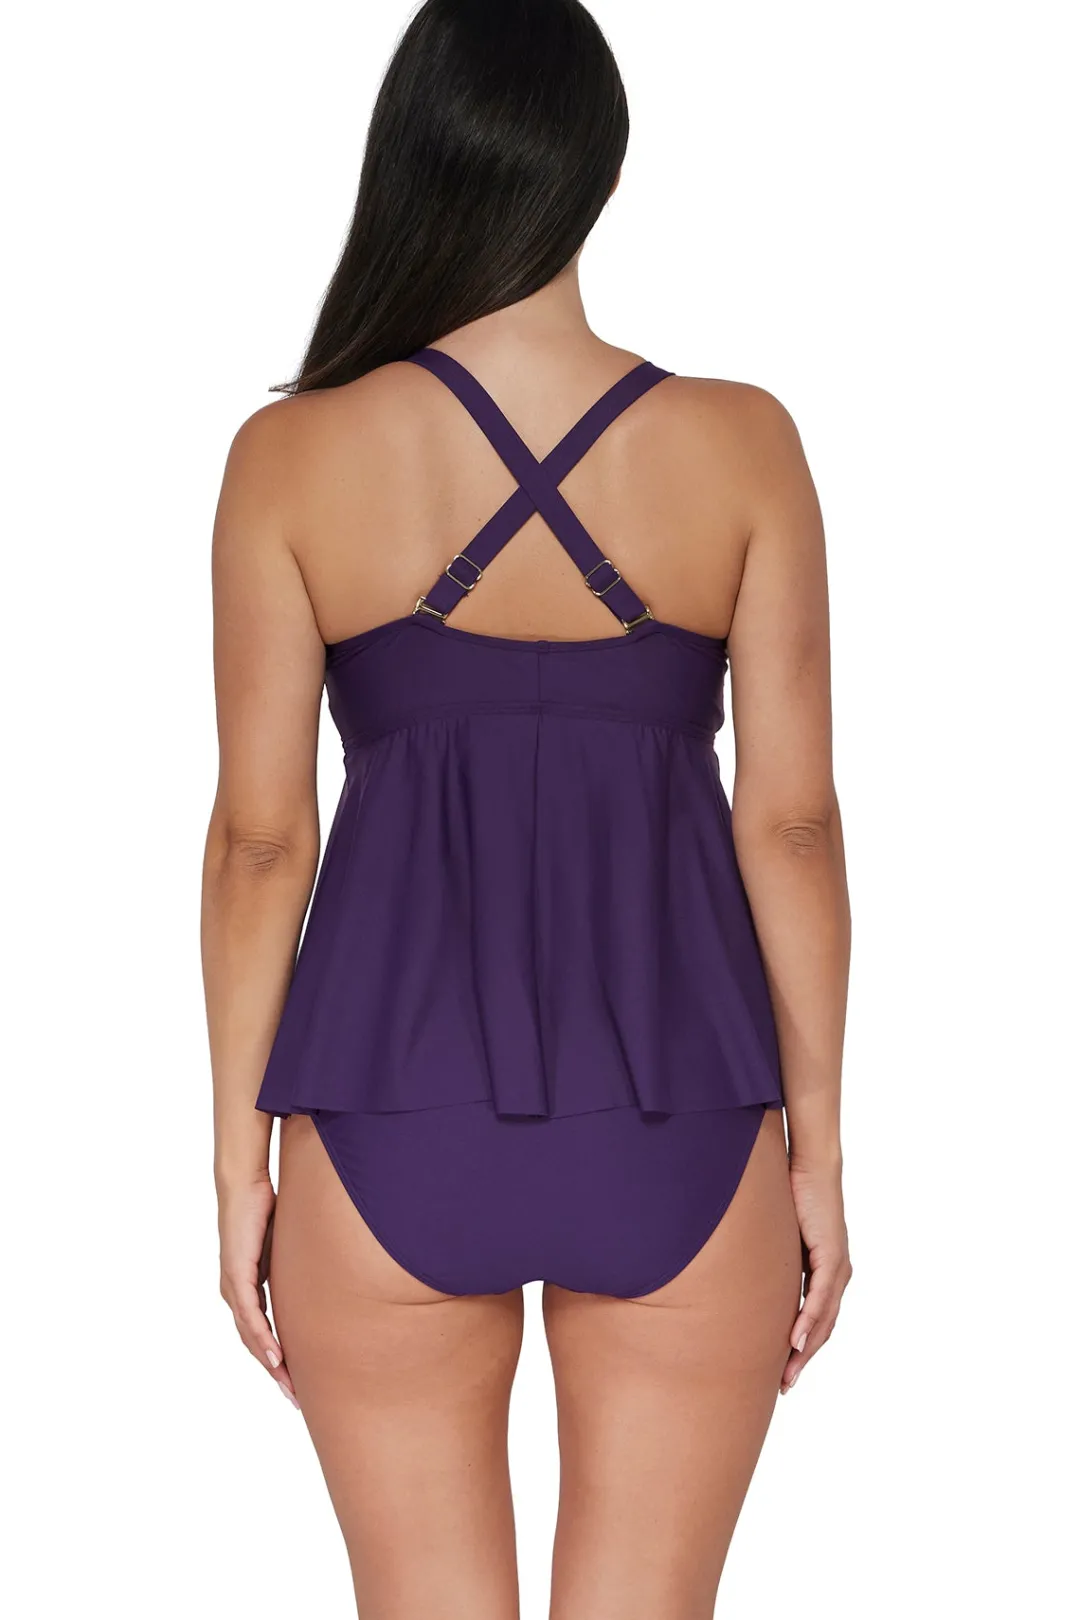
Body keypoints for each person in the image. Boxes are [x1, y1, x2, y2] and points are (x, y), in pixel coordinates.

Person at [200, 2, 852, 1614]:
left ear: (411, 159)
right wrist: (821, 1145)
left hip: (382, 1115)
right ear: (599, 169)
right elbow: (790, 826)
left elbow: (263, 842)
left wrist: (237, 1162)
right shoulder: (744, 445)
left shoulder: (291, 457)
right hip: (686, 1115)